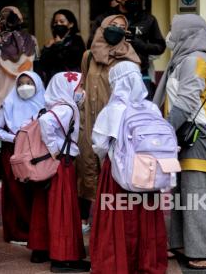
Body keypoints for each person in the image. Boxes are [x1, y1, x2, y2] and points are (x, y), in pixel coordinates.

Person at [153, 14, 206, 269]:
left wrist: (162, 132)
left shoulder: (196, 59)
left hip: (202, 134)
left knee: (200, 193)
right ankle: (183, 243)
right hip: (188, 132)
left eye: (173, 30)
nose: (170, 36)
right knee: (183, 191)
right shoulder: (186, 59)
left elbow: (186, 102)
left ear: (185, 33)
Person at [90, 60, 167, 273]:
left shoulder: (112, 110)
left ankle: (117, 262)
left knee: (118, 219)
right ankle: (148, 263)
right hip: (147, 172)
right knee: (146, 218)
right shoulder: (151, 107)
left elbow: (99, 144)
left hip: (117, 175)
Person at [76, 14, 141, 234]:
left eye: (122, 27)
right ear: (102, 28)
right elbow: (82, 83)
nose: (117, 30)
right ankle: (84, 219)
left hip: (114, 126)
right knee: (86, 168)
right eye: (112, 26)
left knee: (111, 170)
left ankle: (110, 222)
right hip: (88, 121)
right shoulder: (87, 56)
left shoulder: (128, 60)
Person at [27, 71, 90, 272]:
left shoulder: (51, 105)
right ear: (68, 88)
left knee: (45, 204)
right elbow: (47, 124)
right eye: (79, 87)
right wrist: (55, 149)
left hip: (46, 163)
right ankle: (63, 258)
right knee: (63, 207)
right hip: (61, 162)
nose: (81, 91)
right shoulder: (66, 108)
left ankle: (41, 249)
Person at [0, 71, 45, 244]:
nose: (24, 87)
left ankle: (37, 229)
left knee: (36, 191)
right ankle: (18, 231)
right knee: (16, 191)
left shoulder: (45, 102)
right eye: (20, 83)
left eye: (29, 83)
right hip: (14, 152)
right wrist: (14, 137)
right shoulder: (8, 103)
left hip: (37, 153)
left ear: (37, 84)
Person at [88, 0, 166, 99]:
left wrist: (138, 43)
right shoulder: (105, 18)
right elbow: (92, 44)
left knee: (141, 111)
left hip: (140, 73)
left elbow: (160, 47)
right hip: (108, 73)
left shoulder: (148, 19)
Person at [0, 6, 38, 117]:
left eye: (6, 18)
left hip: (3, 93)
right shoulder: (31, 41)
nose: (3, 21)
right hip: (25, 91)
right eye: (2, 18)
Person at [39, 9, 86, 85]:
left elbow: (73, 60)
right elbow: (44, 63)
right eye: (55, 22)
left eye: (61, 22)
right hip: (54, 81)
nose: (58, 24)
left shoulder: (77, 40)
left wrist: (59, 45)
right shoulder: (52, 42)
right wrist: (47, 48)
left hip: (71, 81)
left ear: (71, 24)